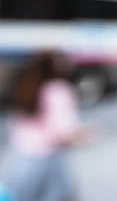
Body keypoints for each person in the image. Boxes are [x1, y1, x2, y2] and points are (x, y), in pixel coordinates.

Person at [5, 51, 91, 201]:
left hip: (22, 160)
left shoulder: (26, 86)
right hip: (48, 161)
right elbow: (63, 132)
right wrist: (86, 134)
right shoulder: (58, 89)